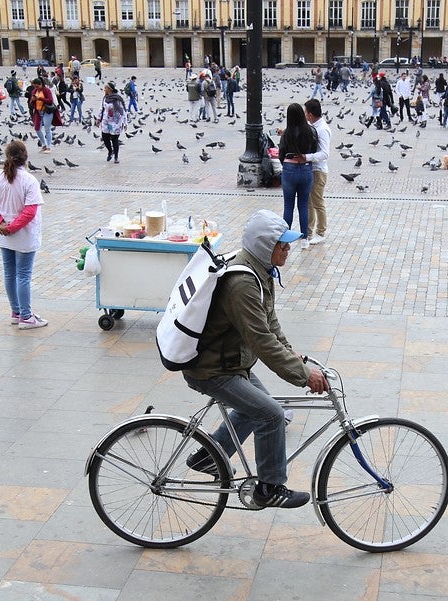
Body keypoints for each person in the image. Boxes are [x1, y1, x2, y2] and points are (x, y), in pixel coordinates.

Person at [181, 209, 329, 509]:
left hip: (231, 361)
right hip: (211, 368)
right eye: (282, 244)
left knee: (254, 408)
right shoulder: (244, 283)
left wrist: (293, 356)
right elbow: (260, 339)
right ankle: (270, 487)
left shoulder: (260, 270)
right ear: (264, 245)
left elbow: (271, 325)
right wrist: (303, 375)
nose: (288, 249)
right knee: (271, 414)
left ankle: (209, 456)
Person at [0, 140, 48, 328]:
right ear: (25, 158)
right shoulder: (29, 180)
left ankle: (16, 311)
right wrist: (10, 227)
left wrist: (2, 223)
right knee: (23, 275)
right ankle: (26, 316)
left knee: (10, 273)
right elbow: (29, 212)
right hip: (23, 235)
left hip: (5, 236)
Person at [278, 102, 318, 249]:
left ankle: (285, 240)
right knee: (303, 205)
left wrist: (287, 164)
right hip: (306, 169)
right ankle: (304, 239)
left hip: (289, 169)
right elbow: (313, 150)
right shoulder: (311, 131)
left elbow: (281, 153)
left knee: (288, 206)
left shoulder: (286, 133)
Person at [303, 99, 330, 245]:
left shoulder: (322, 129)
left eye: (306, 112)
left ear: (311, 114)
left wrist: (306, 157)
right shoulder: (312, 126)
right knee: (308, 202)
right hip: (310, 169)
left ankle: (321, 232)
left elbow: (325, 153)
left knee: (318, 202)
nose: (305, 115)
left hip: (319, 170)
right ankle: (308, 231)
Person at [28, 78, 60, 154]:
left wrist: (40, 98)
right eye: (35, 86)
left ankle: (49, 147)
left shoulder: (46, 90)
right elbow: (32, 103)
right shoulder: (34, 91)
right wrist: (33, 100)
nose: (36, 88)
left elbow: (50, 101)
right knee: (37, 128)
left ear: (40, 84)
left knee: (47, 129)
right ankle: (44, 144)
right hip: (38, 112)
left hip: (47, 111)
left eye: (37, 86)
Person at [97, 82, 127, 163]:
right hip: (106, 121)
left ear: (110, 89)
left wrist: (125, 123)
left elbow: (123, 111)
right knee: (105, 137)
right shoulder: (105, 98)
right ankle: (110, 151)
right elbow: (101, 108)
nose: (104, 90)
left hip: (116, 122)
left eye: (105, 88)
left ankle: (116, 157)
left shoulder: (117, 99)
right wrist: (98, 118)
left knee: (114, 139)